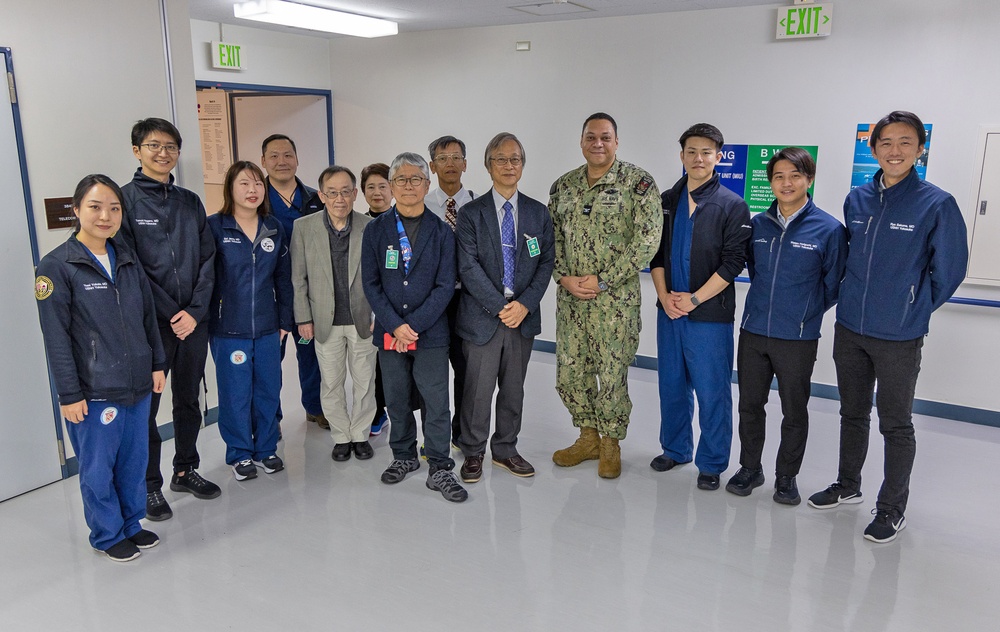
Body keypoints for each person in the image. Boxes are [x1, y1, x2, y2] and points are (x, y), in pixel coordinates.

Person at [808, 111, 968, 543]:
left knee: (896, 424)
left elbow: (949, 271)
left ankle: (892, 507)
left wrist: (911, 308)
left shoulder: (937, 203)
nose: (894, 151)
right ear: (873, 148)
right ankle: (848, 484)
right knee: (852, 413)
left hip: (899, 335)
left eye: (905, 142)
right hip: (851, 329)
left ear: (921, 149)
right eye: (886, 143)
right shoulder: (857, 199)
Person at [35, 174, 166, 561]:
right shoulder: (56, 266)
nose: (105, 215)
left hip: (138, 384)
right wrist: (69, 394)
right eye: (95, 207)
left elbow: (147, 318)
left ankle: (131, 524)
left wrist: (157, 363)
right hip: (93, 392)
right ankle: (107, 535)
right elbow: (55, 338)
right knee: (97, 470)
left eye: (114, 208)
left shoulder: (126, 258)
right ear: (76, 211)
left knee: (132, 462)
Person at [726, 147, 847, 505]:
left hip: (797, 337)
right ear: (771, 183)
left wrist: (804, 312)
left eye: (795, 175)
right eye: (779, 176)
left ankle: (786, 476)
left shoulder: (829, 229)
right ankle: (750, 468)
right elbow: (753, 269)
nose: (787, 182)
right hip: (753, 332)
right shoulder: (758, 224)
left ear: (809, 179)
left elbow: (833, 284)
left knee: (794, 410)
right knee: (749, 405)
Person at [548, 113, 662, 479]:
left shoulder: (637, 183)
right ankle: (587, 436)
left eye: (605, 137)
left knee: (612, 374)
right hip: (571, 301)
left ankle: (611, 441)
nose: (598, 143)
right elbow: (552, 240)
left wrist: (604, 280)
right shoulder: (563, 187)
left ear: (617, 141)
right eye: (591, 137)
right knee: (570, 372)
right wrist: (563, 278)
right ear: (581, 141)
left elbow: (646, 242)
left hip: (614, 303)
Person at [119, 118, 220, 521]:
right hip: (152, 325)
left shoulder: (189, 201)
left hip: (193, 322)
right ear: (136, 150)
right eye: (154, 145)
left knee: (188, 398)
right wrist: (170, 312)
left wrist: (194, 311)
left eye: (171, 147)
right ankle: (149, 487)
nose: (163, 153)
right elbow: (132, 267)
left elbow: (208, 258)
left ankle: (186, 469)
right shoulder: (124, 201)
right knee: (147, 409)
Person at [649, 123, 751, 491]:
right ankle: (675, 449)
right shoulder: (665, 201)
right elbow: (655, 255)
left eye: (706, 152)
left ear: (718, 157)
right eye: (691, 151)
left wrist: (692, 299)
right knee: (672, 385)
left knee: (712, 390)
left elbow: (733, 263)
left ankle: (712, 462)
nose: (698, 158)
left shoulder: (732, 205)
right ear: (681, 156)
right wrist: (664, 298)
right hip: (670, 312)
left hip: (708, 315)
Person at [361, 152, 468, 503]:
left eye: (416, 179)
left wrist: (413, 326)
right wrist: (395, 326)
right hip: (390, 333)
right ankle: (403, 456)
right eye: (402, 180)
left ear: (427, 184)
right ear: (392, 187)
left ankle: (439, 465)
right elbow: (371, 284)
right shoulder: (375, 231)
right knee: (396, 397)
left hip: (431, 333)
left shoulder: (441, 231)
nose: (409, 186)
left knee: (437, 400)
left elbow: (444, 285)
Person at [455, 133, 555, 483]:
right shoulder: (470, 214)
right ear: (488, 166)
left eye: (515, 159)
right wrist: (502, 306)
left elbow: (546, 264)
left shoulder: (538, 213)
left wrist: (524, 305)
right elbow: (467, 267)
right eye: (501, 159)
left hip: (522, 319)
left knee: (514, 389)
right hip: (484, 317)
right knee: (478, 391)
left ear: (522, 166)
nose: (509, 165)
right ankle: (473, 451)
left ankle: (506, 449)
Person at [207, 161, 293, 481]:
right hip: (229, 328)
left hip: (269, 327)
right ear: (230, 188)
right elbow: (205, 279)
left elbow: (283, 279)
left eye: (257, 184)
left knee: (269, 389)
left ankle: (266, 448)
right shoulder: (215, 227)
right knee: (236, 393)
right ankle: (240, 453)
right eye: (244, 184)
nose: (252, 190)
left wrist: (285, 320)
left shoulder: (273, 227)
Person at [291, 166, 377, 462]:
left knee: (365, 382)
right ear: (322, 195)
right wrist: (303, 317)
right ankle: (341, 436)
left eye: (345, 192)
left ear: (355, 194)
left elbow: (379, 277)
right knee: (331, 382)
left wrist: (379, 313)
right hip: (323, 320)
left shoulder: (371, 227)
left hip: (363, 318)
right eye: (332, 192)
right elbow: (298, 277)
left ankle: (361, 435)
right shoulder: (304, 227)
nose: (339, 198)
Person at [261, 134, 327, 430]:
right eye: (273, 156)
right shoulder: (255, 199)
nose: (281, 162)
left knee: (310, 352)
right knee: (268, 361)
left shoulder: (316, 198)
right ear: (263, 162)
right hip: (269, 294)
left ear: (297, 159)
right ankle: (268, 420)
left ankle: (315, 407)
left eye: (288, 155)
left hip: (307, 293)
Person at [425, 135, 474, 447]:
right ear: (432, 166)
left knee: (466, 370)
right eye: (443, 159)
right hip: (432, 301)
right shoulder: (421, 206)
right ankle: (434, 435)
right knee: (431, 373)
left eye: (456, 158)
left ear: (466, 164)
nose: (450, 164)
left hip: (468, 300)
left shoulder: (479, 204)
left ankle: (461, 432)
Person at [361, 162, 393, 436]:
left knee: (389, 367)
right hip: (365, 307)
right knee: (369, 367)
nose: (377, 192)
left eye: (382, 186)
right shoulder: (361, 225)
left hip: (397, 309)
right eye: (370, 187)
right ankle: (376, 411)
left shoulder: (403, 223)